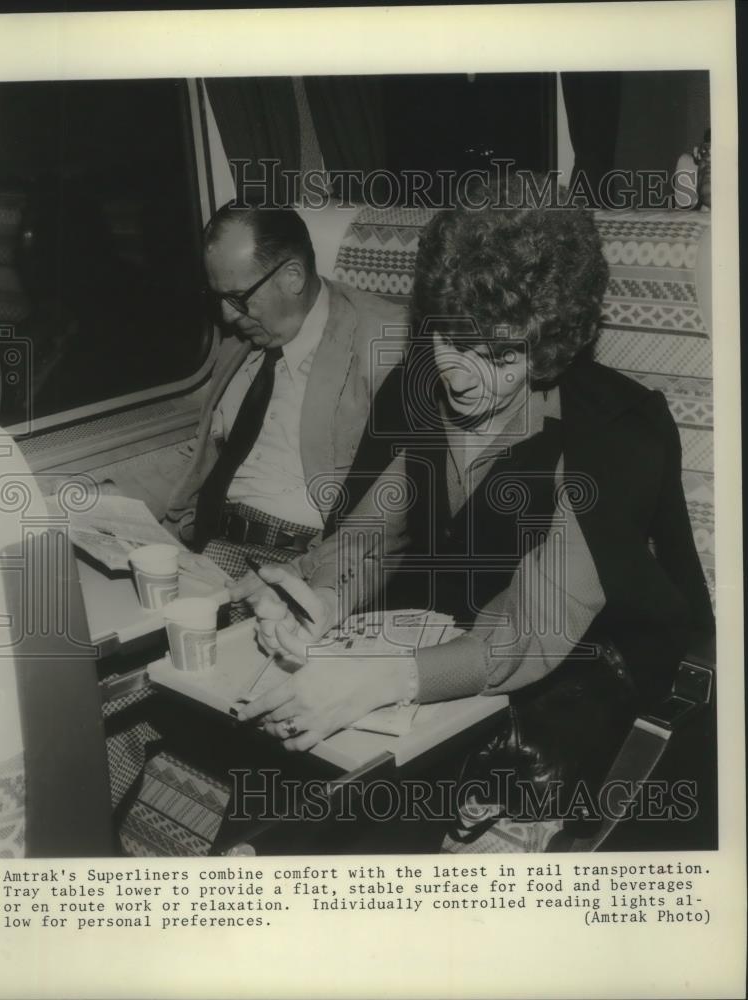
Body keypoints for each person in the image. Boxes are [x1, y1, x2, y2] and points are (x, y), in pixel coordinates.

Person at [235, 185, 714, 818]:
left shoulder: (620, 430)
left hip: (568, 666)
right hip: (445, 650)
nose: (463, 375)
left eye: (498, 355)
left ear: (545, 347)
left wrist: (384, 679)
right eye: (453, 343)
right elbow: (376, 530)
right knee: (272, 774)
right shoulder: (420, 384)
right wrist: (321, 598)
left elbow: (535, 621)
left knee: (348, 799)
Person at [164, 203, 407, 613]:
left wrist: (309, 575)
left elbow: (396, 509)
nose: (226, 314)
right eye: (218, 297)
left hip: (301, 561)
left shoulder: (382, 344)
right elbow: (204, 451)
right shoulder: (243, 341)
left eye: (237, 298)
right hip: (210, 547)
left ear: (292, 276)